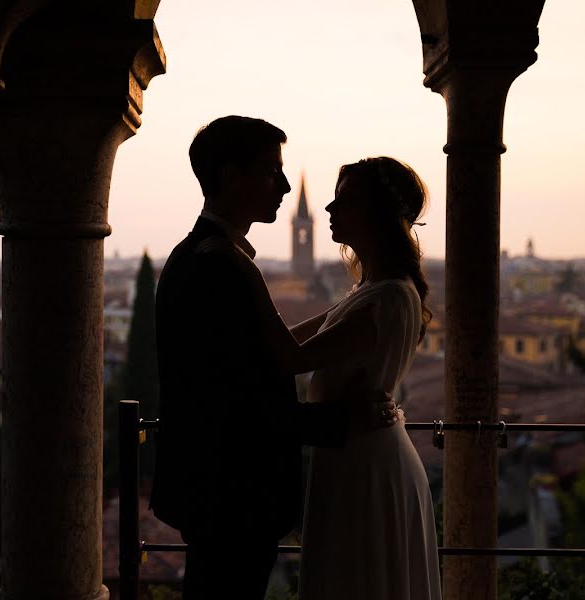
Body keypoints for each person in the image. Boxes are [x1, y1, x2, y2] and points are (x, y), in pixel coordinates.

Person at [149, 116, 399, 600]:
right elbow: (239, 400)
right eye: (271, 172)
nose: (284, 185)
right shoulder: (219, 265)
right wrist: (339, 422)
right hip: (233, 496)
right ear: (230, 176)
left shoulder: (209, 256)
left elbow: (256, 363)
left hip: (219, 493)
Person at [219, 156, 442, 600]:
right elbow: (283, 342)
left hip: (366, 461)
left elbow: (286, 358)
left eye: (344, 201)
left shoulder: (387, 298)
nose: (328, 211)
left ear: (376, 214)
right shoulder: (369, 292)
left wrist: (243, 271)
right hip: (351, 451)